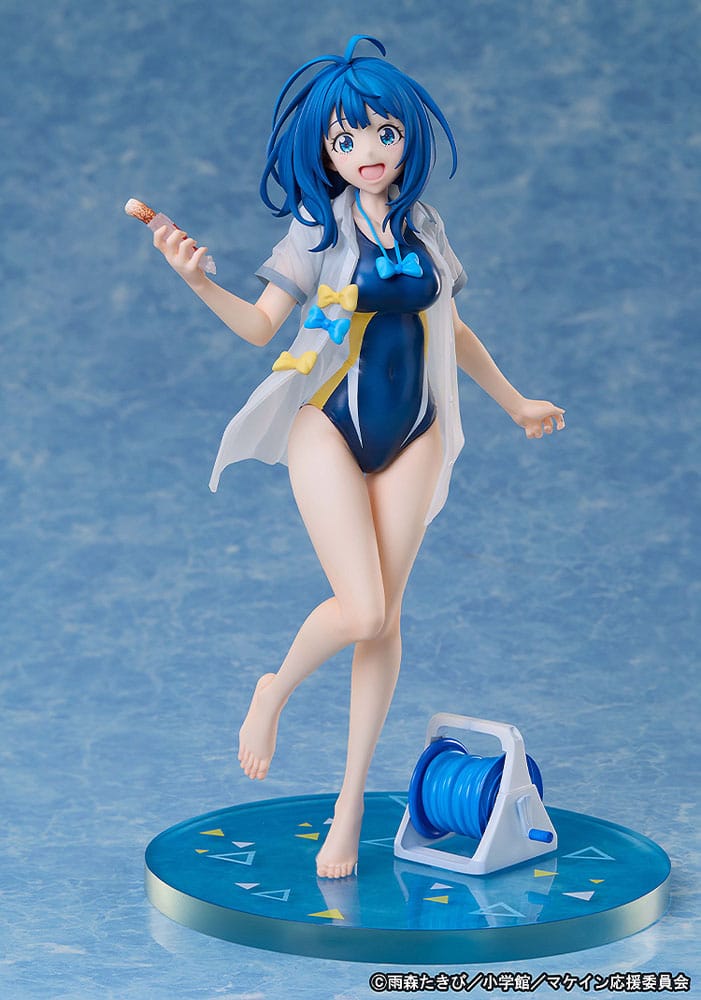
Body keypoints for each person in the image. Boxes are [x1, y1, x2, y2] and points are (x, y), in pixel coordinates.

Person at [152, 35, 565, 879]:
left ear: (405, 136)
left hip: (414, 433)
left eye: (383, 132)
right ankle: (274, 688)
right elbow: (260, 328)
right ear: (326, 152)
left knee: (387, 617)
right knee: (363, 610)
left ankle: (348, 808)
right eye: (345, 139)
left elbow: (453, 329)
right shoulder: (317, 229)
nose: (367, 151)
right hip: (330, 428)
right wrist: (197, 280)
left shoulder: (424, 225)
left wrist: (515, 400)